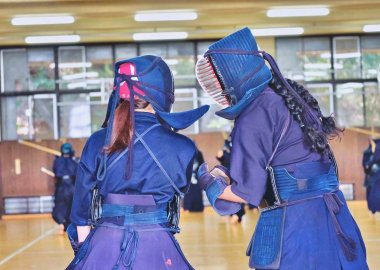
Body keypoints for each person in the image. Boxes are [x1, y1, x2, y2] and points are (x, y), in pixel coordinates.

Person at [196, 28, 368, 269]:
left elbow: (248, 193)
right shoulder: (288, 97)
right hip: (335, 221)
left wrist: (208, 180)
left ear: (231, 78)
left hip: (296, 231)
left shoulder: (253, 113)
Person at [67, 55, 209, 270]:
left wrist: (88, 253)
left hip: (104, 242)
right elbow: (179, 189)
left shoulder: (97, 141)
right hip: (157, 245)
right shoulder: (184, 147)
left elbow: (80, 211)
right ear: (164, 93)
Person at [216, 134, 246, 223]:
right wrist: (223, 150)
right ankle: (232, 213)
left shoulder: (240, 150)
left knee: (238, 195)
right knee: (229, 196)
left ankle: (238, 214)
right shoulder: (225, 151)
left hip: (238, 177)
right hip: (228, 178)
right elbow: (219, 155)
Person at [52, 143, 78, 233]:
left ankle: (61, 223)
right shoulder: (75, 161)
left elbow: (55, 173)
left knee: (59, 207)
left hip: (61, 187)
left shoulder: (57, 161)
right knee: (71, 208)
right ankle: (67, 226)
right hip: (72, 187)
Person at [183, 146, 205, 212]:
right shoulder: (185, 154)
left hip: (196, 178)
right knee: (188, 193)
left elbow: (202, 165)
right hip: (188, 179)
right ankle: (187, 208)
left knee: (197, 193)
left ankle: (198, 208)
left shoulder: (199, 154)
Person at [363, 138, 380, 213]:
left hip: (375, 178)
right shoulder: (368, 153)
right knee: (372, 193)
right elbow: (366, 166)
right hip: (373, 178)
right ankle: (373, 208)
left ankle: (374, 208)